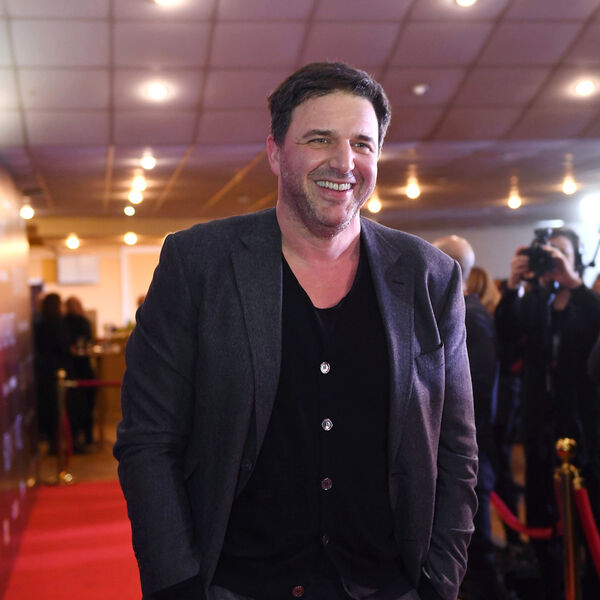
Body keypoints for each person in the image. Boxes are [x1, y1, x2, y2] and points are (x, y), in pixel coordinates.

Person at [114, 62, 478, 600]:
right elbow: (149, 440)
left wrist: (439, 581)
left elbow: (456, 448)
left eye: (362, 144)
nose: (344, 161)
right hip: (236, 585)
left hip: (389, 586)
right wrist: (178, 585)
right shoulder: (198, 264)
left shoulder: (430, 277)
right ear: (275, 152)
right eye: (320, 139)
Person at [495, 227, 600, 599]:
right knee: (540, 511)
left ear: (576, 260)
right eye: (547, 253)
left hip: (584, 425)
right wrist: (512, 288)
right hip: (539, 426)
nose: (552, 259)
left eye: (561, 253)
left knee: (590, 512)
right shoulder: (533, 302)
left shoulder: (586, 302)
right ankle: (551, 586)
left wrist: (573, 284)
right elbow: (505, 342)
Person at [432, 236, 503, 600]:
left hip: (470, 448)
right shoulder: (462, 311)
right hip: (468, 446)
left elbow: (470, 396)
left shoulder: (469, 316)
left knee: (474, 544)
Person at [33, 293, 71, 452]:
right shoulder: (59, 324)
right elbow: (64, 347)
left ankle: (53, 443)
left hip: (44, 373)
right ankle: (61, 445)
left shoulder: (39, 325)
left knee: (49, 409)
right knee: (59, 408)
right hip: (58, 371)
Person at [64, 296, 96, 452]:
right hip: (74, 370)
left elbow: (89, 339)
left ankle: (88, 437)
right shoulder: (65, 322)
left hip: (84, 368)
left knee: (88, 403)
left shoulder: (83, 321)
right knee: (77, 406)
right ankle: (78, 438)